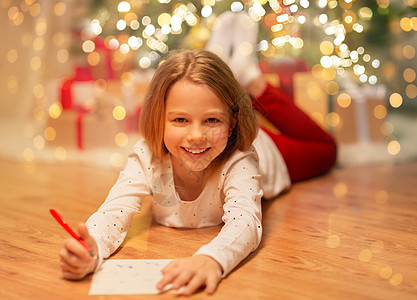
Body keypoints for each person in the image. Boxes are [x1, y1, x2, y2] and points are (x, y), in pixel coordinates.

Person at [58, 12, 337, 296]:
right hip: (225, 134)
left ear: (233, 122)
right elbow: (113, 212)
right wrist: (92, 247)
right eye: (180, 120)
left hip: (270, 151)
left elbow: (246, 223)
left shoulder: (241, 158)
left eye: (211, 120)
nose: (195, 136)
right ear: (158, 118)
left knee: (327, 150)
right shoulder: (147, 157)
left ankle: (251, 79)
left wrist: (211, 259)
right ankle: (227, 68)